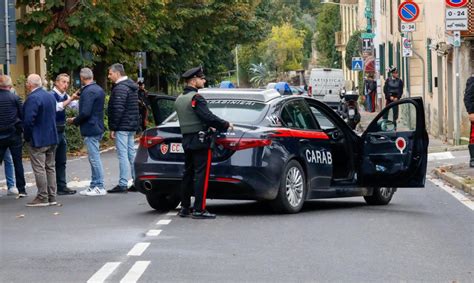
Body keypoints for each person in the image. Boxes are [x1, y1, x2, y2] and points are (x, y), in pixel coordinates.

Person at [174, 66, 233, 219]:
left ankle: (185, 207)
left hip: (186, 139)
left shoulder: (180, 98)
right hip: (200, 140)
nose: (204, 80)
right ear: (194, 81)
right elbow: (207, 117)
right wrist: (225, 124)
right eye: (201, 78)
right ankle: (199, 209)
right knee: (202, 175)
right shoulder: (196, 98)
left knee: (188, 173)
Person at [67, 68, 107, 196]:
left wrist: (74, 120)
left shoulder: (88, 91)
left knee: (94, 158)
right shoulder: (98, 89)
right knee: (93, 158)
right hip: (97, 125)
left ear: (82, 78)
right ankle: (94, 184)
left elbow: (85, 112)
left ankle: (99, 185)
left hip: (91, 127)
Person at [23, 74, 58, 207]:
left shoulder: (32, 98)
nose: (26, 85)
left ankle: (42, 196)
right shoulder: (50, 96)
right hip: (51, 136)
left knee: (39, 168)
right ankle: (52, 196)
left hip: (38, 138)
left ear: (31, 84)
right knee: (50, 167)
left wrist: (26, 136)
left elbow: (28, 121)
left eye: (27, 82)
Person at [107, 63, 139, 193]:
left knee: (123, 155)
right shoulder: (131, 86)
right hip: (131, 125)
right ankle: (137, 181)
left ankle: (123, 183)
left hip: (122, 126)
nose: (109, 76)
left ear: (117, 73)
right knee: (131, 154)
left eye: (110, 74)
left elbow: (118, 109)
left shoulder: (120, 88)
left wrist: (113, 127)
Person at [51, 73, 78, 195]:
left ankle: (62, 186)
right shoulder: (51, 95)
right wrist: (71, 99)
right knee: (50, 162)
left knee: (62, 160)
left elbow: (75, 106)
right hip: (53, 130)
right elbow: (58, 107)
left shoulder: (65, 95)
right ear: (56, 82)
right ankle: (50, 188)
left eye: (67, 82)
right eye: (63, 82)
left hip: (62, 130)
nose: (66, 85)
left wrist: (81, 99)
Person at [0, 75, 27, 198]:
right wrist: (20, 130)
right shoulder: (15, 98)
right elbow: (22, 116)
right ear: (10, 86)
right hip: (14, 134)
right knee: (17, 162)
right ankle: (21, 189)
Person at [464, 74, 474, 167]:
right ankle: (473, 159)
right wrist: (471, 112)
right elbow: (468, 97)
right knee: (473, 137)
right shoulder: (472, 80)